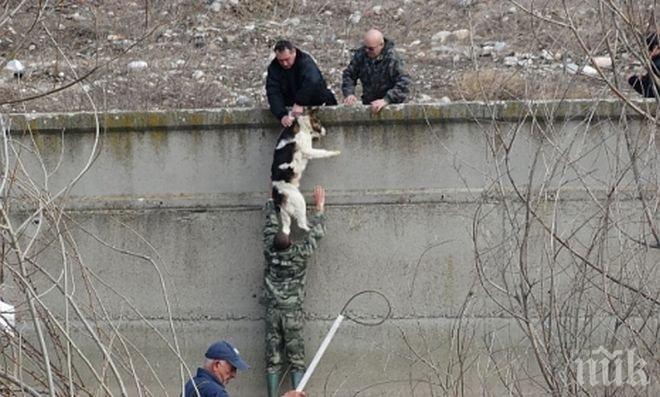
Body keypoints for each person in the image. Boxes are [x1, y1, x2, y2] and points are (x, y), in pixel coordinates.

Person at [262, 186, 327, 397]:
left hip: (273, 312)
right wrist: (319, 207)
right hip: (292, 314)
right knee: (296, 360)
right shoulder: (299, 255)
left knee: (273, 360)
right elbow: (317, 234)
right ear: (291, 242)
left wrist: (273, 197)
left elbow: (270, 223)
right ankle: (297, 394)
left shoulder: (269, 251)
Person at [183, 340, 305, 397]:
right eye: (232, 368)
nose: (234, 375)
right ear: (217, 365)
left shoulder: (192, 384)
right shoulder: (214, 392)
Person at [266, 40, 337, 128]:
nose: (284, 63)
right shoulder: (274, 68)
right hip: (291, 106)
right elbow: (273, 92)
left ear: (293, 53)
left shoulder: (305, 62)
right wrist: (281, 115)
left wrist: (300, 102)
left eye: (287, 59)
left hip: (316, 101)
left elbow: (313, 81)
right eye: (281, 61)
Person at [342, 28, 411, 113]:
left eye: (371, 49)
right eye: (365, 47)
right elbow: (349, 74)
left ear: (381, 45)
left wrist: (386, 100)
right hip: (370, 105)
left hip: (393, 107)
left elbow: (404, 82)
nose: (367, 51)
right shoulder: (361, 55)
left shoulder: (393, 58)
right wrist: (349, 93)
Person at [628, 32, 660, 97]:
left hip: (655, 91)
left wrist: (634, 79)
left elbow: (650, 87)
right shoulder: (654, 61)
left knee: (631, 79)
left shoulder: (655, 63)